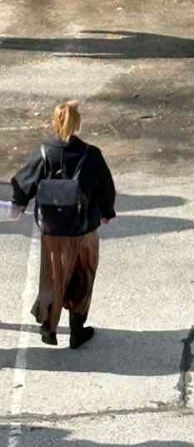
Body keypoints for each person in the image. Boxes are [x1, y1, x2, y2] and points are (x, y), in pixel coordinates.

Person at [10, 100, 116, 348]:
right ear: (78, 123)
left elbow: (23, 184)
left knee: (53, 277)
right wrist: (106, 212)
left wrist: (18, 205)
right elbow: (106, 188)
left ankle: (49, 327)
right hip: (84, 228)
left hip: (53, 231)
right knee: (83, 276)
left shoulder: (43, 152)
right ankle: (77, 331)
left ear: (54, 122)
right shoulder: (91, 154)